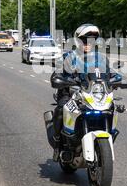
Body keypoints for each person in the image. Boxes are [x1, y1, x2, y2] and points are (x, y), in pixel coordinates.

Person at [50, 24, 117, 161]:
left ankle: (105, 141)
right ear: (77, 40)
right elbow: (56, 74)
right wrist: (60, 79)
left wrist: (118, 79)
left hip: (93, 95)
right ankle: (57, 143)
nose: (88, 43)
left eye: (92, 40)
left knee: (112, 108)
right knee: (61, 109)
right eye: (85, 40)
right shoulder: (69, 57)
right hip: (70, 93)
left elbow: (111, 74)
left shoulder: (101, 59)